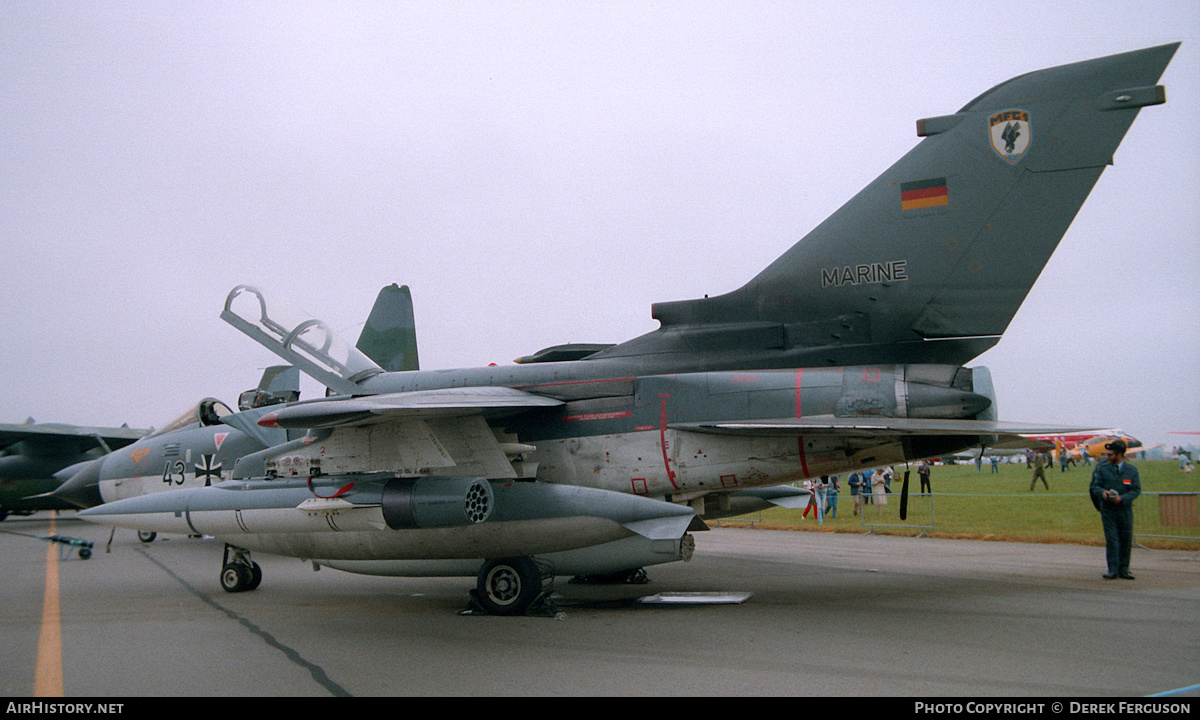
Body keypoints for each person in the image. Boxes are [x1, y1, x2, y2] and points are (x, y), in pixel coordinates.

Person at [1089, 439, 1141, 580]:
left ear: (1119, 455)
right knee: (1112, 540)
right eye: (1107, 454)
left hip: (1124, 510)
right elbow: (1094, 486)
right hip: (1108, 510)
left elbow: (1136, 490)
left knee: (1125, 539)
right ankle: (1112, 569)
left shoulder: (1131, 471)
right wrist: (1102, 493)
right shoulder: (1102, 468)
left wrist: (1122, 499)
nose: (1107, 457)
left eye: (1110, 455)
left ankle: (1124, 569)